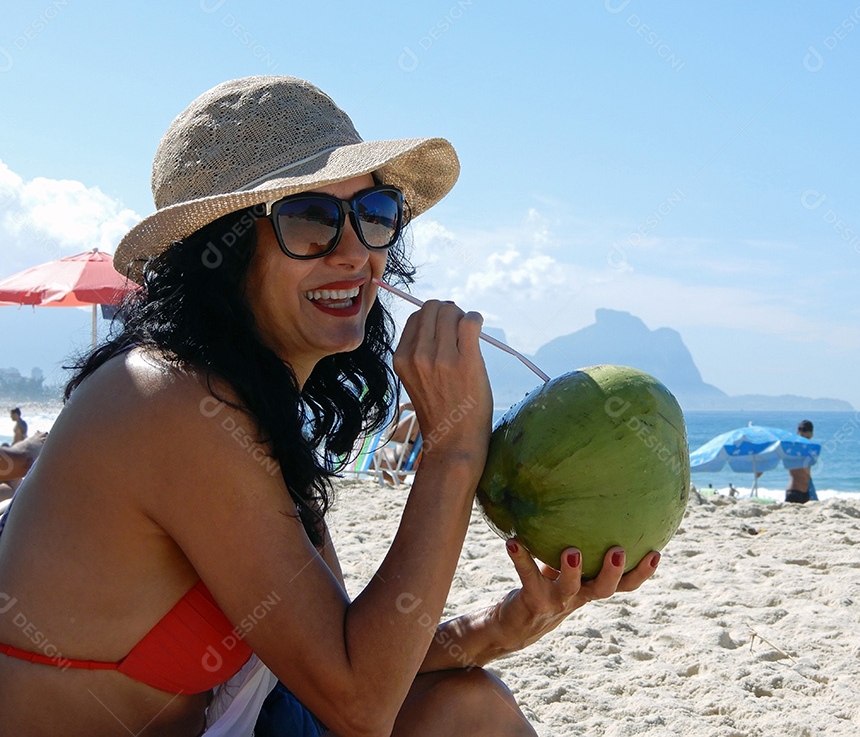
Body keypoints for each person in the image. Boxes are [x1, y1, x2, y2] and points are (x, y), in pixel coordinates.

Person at [0, 75, 660, 736]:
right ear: (222, 252)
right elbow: (356, 703)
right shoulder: (169, 400)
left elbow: (343, 653)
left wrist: (507, 623)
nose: (354, 253)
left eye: (372, 212)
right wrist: (454, 451)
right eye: (309, 218)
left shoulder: (250, 409)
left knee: (470, 706)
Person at [785, 419, 815, 504]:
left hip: (806, 490)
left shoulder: (808, 448)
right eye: (803, 437)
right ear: (798, 433)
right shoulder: (793, 448)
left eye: (807, 438)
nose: (805, 440)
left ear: (812, 435)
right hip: (794, 491)